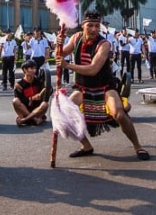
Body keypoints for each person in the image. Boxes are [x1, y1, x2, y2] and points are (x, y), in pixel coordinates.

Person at [55, 10, 150, 160]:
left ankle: (138, 146)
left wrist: (68, 65)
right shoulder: (75, 38)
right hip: (83, 88)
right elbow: (58, 56)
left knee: (119, 113)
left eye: (97, 26)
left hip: (105, 87)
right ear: (83, 25)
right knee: (64, 113)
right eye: (90, 25)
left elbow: (93, 69)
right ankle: (86, 145)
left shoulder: (104, 44)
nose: (94, 29)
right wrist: (58, 45)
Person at [12, 60, 49, 126]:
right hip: (25, 110)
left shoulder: (38, 81)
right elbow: (20, 101)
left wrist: (48, 89)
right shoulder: (19, 85)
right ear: (25, 70)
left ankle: (25, 120)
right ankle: (34, 119)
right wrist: (32, 98)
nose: (34, 70)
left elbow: (47, 91)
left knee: (45, 104)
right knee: (15, 101)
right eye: (31, 68)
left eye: (35, 68)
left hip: (36, 110)